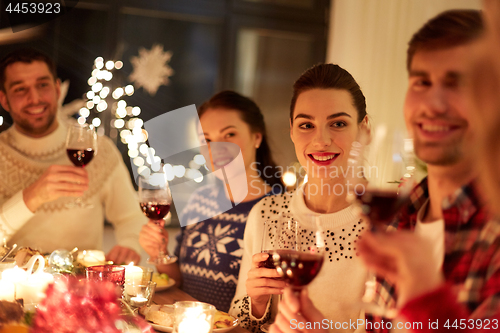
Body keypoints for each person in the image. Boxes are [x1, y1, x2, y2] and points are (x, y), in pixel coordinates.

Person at [270, 9, 500, 333]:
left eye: (457, 82)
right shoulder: (400, 218)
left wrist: (425, 291)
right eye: (422, 81)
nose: (433, 103)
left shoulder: (492, 234)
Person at [229, 64, 370, 333]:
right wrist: (257, 303)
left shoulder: (386, 226)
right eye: (307, 125)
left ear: (364, 129)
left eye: (338, 124)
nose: (321, 140)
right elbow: (237, 321)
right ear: (292, 131)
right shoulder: (266, 212)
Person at [139, 90, 282, 312]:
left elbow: (272, 307)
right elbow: (178, 282)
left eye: (230, 135)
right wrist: (159, 251)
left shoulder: (278, 211)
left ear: (257, 137)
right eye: (207, 139)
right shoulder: (199, 201)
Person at [0, 48, 145, 264]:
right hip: (13, 291)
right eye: (20, 89)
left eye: (42, 85)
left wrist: (131, 244)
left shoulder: (99, 149)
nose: (35, 98)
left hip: (82, 291)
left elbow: (132, 217)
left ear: (58, 89)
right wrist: (32, 197)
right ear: (4, 100)